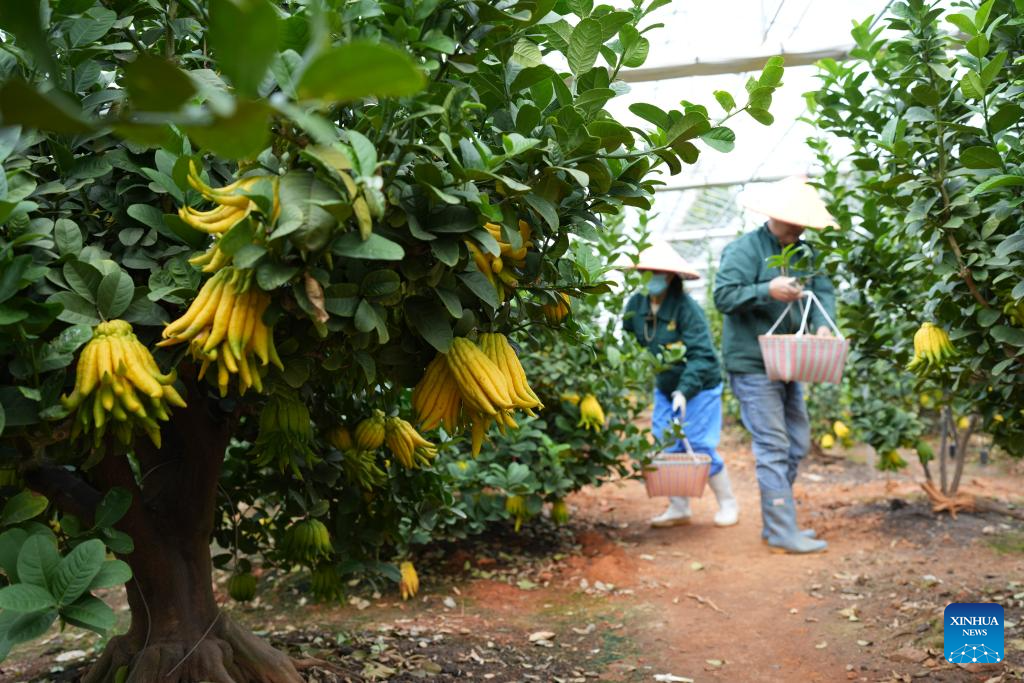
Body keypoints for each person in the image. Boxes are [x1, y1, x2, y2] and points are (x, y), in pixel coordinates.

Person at [713, 177, 836, 554]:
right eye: (793, 220)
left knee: (797, 442)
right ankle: (783, 530)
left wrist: (822, 324)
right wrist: (765, 290)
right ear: (775, 215)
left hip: (789, 360)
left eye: (803, 222)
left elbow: (823, 291)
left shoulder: (805, 254)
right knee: (773, 444)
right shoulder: (744, 250)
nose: (799, 228)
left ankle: (776, 524)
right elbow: (723, 296)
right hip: (752, 362)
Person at [623, 240, 738, 528]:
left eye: (657, 273)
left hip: (700, 385)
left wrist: (684, 391)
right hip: (665, 386)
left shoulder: (687, 308)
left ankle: (727, 503)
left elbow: (702, 356)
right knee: (665, 442)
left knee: (698, 444)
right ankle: (679, 507)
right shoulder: (636, 305)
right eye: (646, 272)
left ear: (670, 276)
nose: (651, 278)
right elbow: (628, 343)